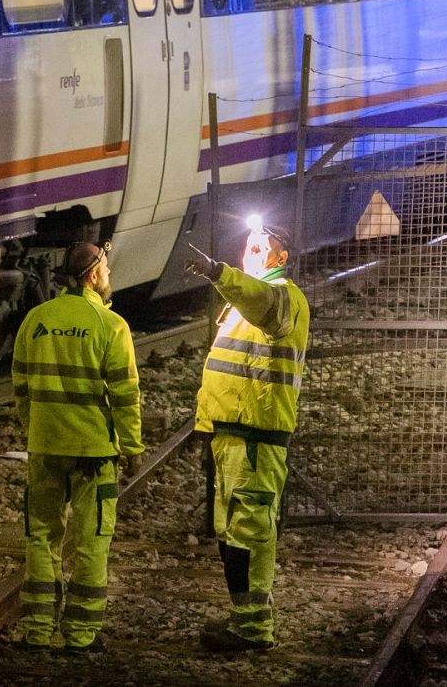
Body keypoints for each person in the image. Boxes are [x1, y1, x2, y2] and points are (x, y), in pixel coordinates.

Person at [11, 240, 143, 653]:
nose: (109, 279)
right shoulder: (111, 326)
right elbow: (125, 395)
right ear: (93, 274)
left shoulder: (36, 319)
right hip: (94, 453)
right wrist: (132, 447)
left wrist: (37, 430)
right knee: (91, 542)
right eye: (106, 271)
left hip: (46, 447)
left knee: (41, 537)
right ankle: (81, 635)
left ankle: (37, 630)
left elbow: (20, 386)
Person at [185, 218, 310, 652]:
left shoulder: (283, 298)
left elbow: (262, 304)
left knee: (251, 535)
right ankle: (244, 620)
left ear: (281, 257)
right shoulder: (247, 300)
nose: (253, 250)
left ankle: (254, 629)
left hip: (255, 441)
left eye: (263, 245)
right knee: (233, 534)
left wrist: (219, 273)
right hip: (232, 437)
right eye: (249, 245)